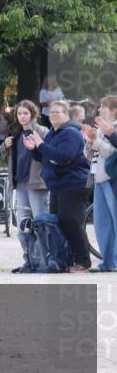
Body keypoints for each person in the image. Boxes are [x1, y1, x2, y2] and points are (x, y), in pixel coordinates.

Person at [24, 100, 92, 272]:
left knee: (71, 222)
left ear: (66, 115)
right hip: (57, 186)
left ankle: (83, 262)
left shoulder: (71, 133)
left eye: (58, 112)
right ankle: (66, 259)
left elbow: (63, 156)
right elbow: (45, 157)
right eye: (51, 112)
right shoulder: (52, 134)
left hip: (73, 184)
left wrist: (41, 145)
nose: (53, 115)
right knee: (59, 223)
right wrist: (34, 149)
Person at [3, 100, 50, 237]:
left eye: (26, 113)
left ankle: (44, 257)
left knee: (40, 221)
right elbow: (7, 157)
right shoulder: (16, 133)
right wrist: (5, 146)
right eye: (19, 113)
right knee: (23, 226)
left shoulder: (42, 131)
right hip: (20, 182)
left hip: (37, 182)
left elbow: (49, 153)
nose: (22, 116)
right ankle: (29, 257)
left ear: (33, 114)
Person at [84, 95, 117, 272]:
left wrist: (97, 143)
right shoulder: (101, 130)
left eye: (104, 107)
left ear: (114, 111)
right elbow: (88, 156)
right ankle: (108, 261)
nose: (99, 110)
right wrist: (89, 143)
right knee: (102, 223)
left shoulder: (114, 130)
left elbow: (113, 154)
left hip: (112, 180)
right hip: (98, 179)